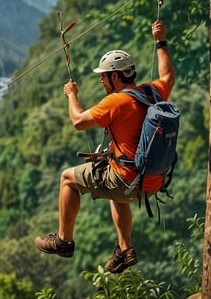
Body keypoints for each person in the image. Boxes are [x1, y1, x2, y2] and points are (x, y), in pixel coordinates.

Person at [34, 20, 175, 273]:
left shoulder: (115, 102)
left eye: (103, 76)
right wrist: (160, 40)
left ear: (114, 76)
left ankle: (63, 241)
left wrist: (71, 95)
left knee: (67, 178)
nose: (101, 81)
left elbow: (78, 121)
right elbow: (168, 76)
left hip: (128, 181)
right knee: (111, 176)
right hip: (152, 181)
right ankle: (124, 249)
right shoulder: (152, 92)